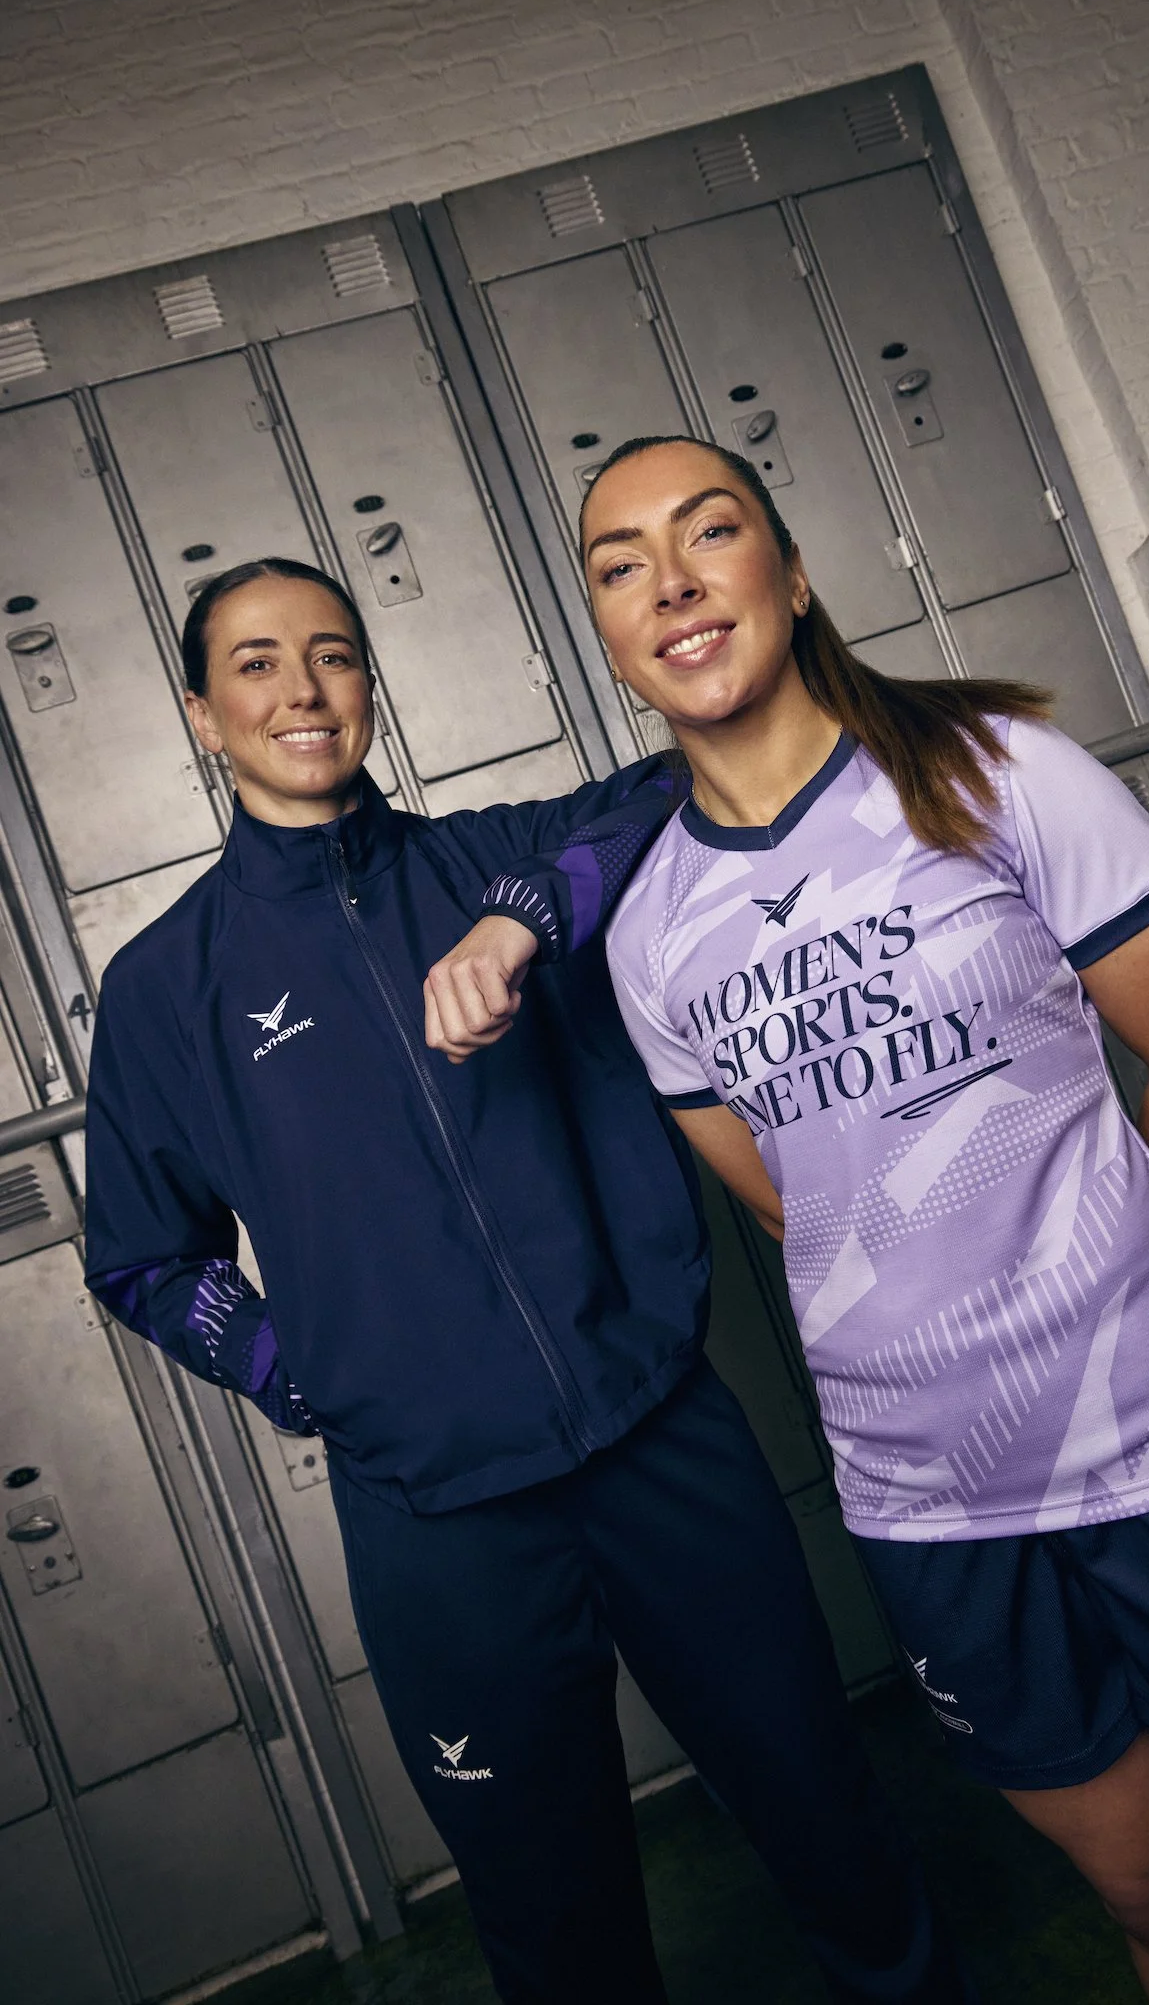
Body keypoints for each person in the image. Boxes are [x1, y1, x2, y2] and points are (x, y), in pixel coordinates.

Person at [460, 434, 1149, 2004]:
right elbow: (804, 1206)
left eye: (711, 531)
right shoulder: (654, 930)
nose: (670, 581)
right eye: (620, 565)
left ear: (790, 575)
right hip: (932, 1507)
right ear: (607, 632)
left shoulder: (992, 772)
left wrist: (1091, 1275)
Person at [82, 556, 972, 2005]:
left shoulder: (492, 860)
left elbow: (669, 787)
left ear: (370, 682)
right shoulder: (165, 985)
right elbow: (135, 1252)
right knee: (551, 1918)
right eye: (256, 665)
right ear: (201, 714)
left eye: (331, 653)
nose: (302, 690)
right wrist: (301, 1375)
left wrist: (513, 923)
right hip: (440, 1521)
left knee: (830, 1814)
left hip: (661, 1446)